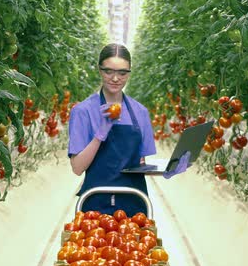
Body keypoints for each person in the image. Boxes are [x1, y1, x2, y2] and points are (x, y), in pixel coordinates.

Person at [67, 43, 190, 216]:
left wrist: (170, 169)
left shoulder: (140, 112)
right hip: (95, 206)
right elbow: (77, 168)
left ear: (129, 72)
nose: (115, 78)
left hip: (135, 204)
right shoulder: (83, 111)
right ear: (100, 70)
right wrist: (100, 134)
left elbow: (140, 164)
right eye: (109, 71)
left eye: (122, 73)